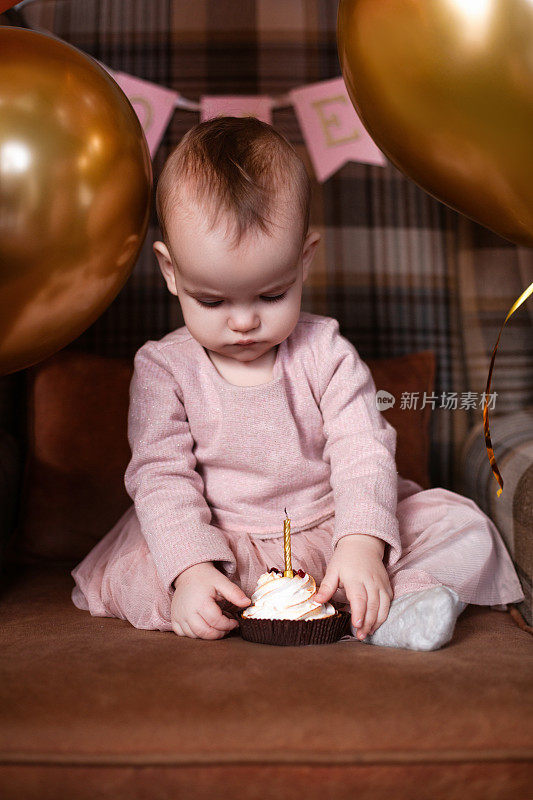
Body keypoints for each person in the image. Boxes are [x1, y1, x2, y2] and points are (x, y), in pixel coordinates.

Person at [70, 116, 524, 651]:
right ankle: (220, 600)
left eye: (271, 295)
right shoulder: (164, 369)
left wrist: (360, 543)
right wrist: (189, 567)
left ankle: (402, 605)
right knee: (139, 567)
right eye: (211, 301)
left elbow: (364, 449)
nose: (243, 322)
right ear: (171, 272)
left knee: (464, 528)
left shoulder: (326, 352)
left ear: (303, 262)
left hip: (331, 525)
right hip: (222, 540)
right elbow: (160, 474)